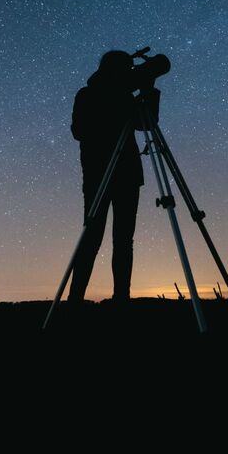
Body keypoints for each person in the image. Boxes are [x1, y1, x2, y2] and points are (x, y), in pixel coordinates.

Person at [67, 50, 151, 304]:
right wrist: (114, 106)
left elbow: (147, 123)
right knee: (91, 238)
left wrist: (149, 89)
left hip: (127, 176)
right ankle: (75, 299)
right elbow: (79, 131)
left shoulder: (127, 96)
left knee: (124, 240)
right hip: (98, 176)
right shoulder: (88, 95)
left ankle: (121, 298)